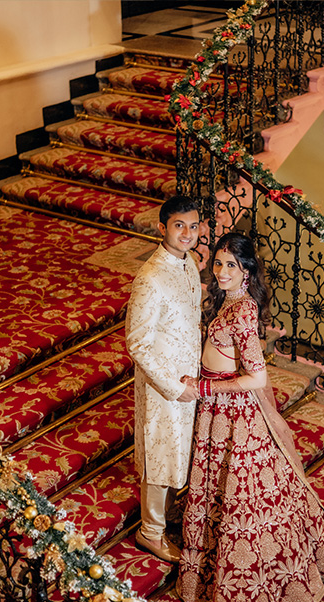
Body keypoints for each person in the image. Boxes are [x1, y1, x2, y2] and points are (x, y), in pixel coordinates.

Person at [177, 232, 324, 602]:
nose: (221, 271)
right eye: (218, 263)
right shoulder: (230, 302)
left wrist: (202, 389)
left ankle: (269, 595)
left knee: (245, 505)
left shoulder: (242, 312)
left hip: (233, 415)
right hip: (220, 414)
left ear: (248, 272)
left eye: (231, 265)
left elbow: (256, 376)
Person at [125, 196, 202, 563]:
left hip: (190, 379)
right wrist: (174, 386)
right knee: (160, 454)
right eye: (179, 225)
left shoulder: (191, 265)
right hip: (164, 386)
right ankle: (150, 532)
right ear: (162, 228)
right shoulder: (150, 276)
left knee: (178, 453)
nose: (187, 233)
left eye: (193, 226)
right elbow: (137, 342)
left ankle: (166, 518)